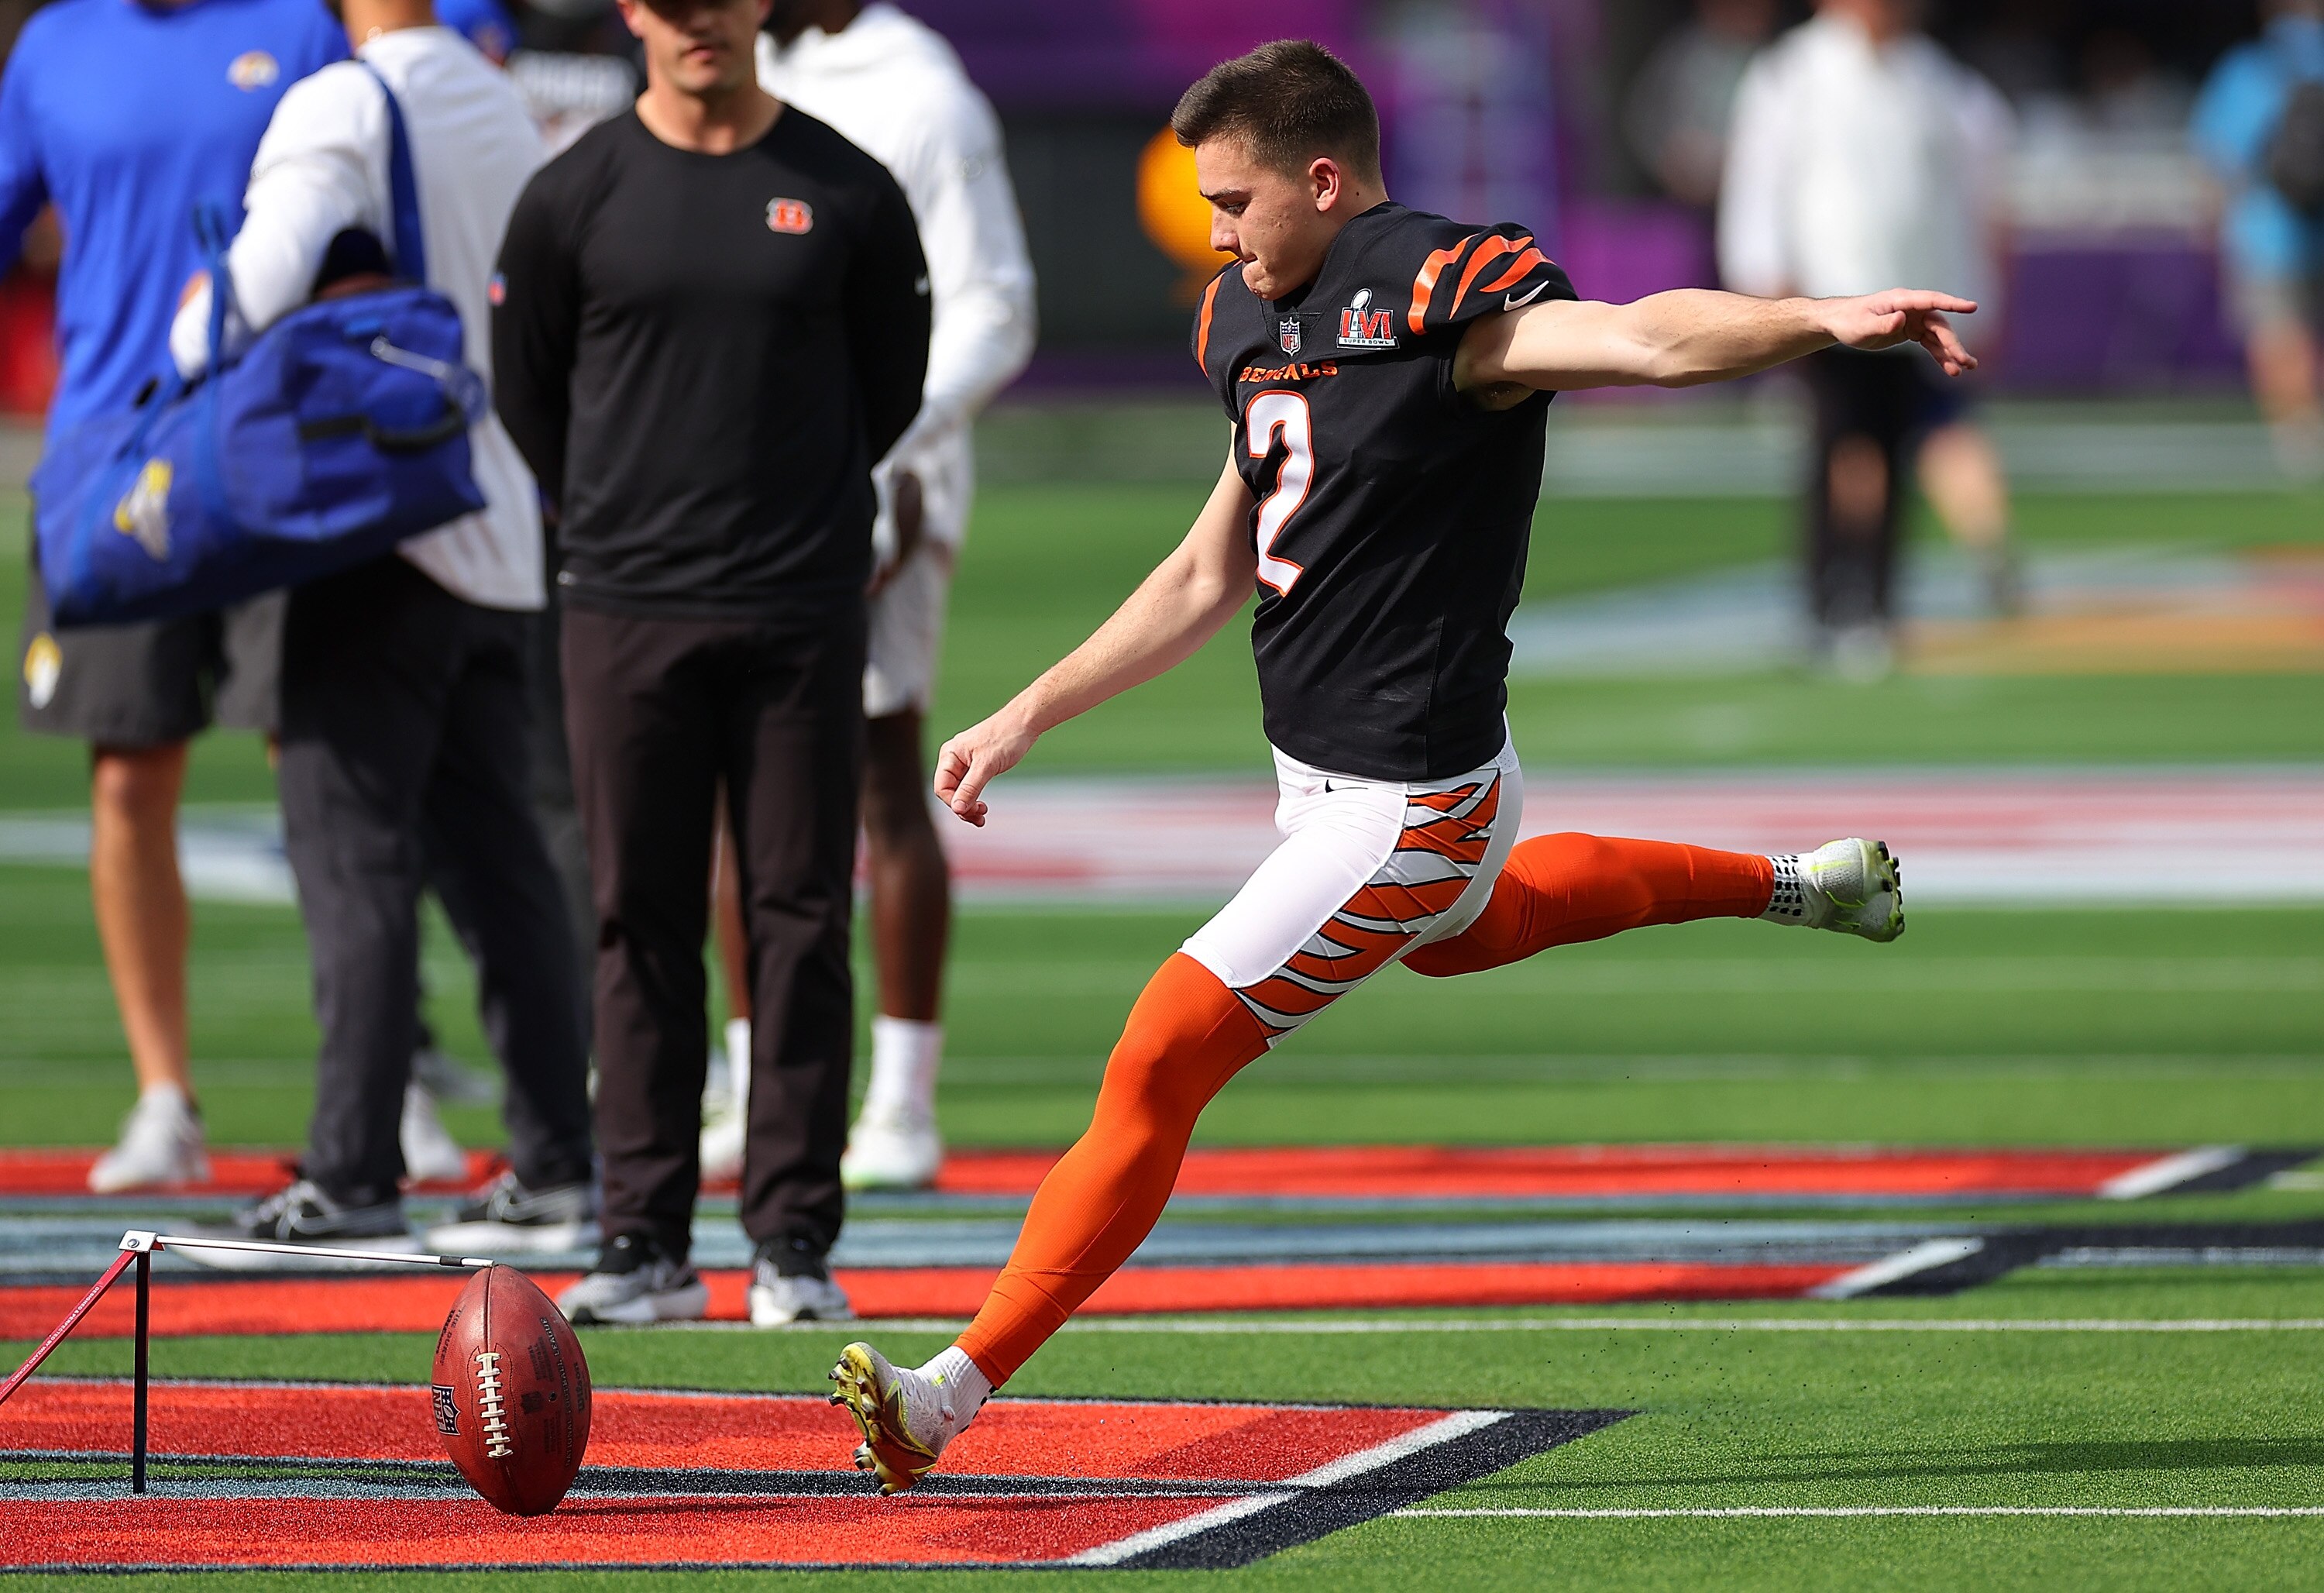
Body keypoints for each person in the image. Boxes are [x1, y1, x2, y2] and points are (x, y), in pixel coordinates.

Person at [827, 39, 1957, 1496]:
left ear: (1323, 173)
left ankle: (945, 1394)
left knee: (1159, 1053)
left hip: (1404, 799)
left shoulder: (1440, 299)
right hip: (1351, 787)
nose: (1217, 236)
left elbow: (1638, 338)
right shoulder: (1246, 318)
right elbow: (1200, 571)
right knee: (1483, 926)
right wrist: (1030, 708)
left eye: (1235, 200)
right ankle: (1803, 884)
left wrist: (1819, 316)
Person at [493, 0, 928, 1325]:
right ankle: (644, 1242)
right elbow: (529, 389)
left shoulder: (845, 187)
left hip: (800, 604)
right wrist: (623, 522)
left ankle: (792, 1241)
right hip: (625, 607)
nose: (698, 24)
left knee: (801, 914)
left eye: (720, 1)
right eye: (670, 3)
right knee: (640, 919)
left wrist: (795, 512)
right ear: (632, 11)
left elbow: (890, 384)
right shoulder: (572, 194)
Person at [169, 0, 595, 1253]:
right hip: (500, 533)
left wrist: (191, 330)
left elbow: (246, 293)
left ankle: (354, 1164)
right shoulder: (496, 103)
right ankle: (558, 1153)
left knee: (351, 850)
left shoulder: (348, 100)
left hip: (378, 531)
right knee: (499, 863)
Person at [1, 0, 345, 1193]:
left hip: (276, 452)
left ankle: (372, 1090)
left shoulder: (301, 25)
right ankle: (164, 1098)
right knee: (128, 775)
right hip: (107, 461)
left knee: (324, 767)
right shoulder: (52, 44)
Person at [696, 0, 1035, 1192]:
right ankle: (752, 1078)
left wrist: (892, 445)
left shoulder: (920, 92)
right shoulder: (741, 64)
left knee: (885, 774)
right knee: (735, 779)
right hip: (737, 460)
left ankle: (899, 1098)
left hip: (880, 468)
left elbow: (995, 305)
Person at [1719, 0, 2019, 677]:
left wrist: (1982, 305)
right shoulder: (1793, 74)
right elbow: (1761, 186)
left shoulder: (1936, 79)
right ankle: (1827, 600)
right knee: (1836, 444)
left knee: (1893, 445)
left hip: (1909, 303)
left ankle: (1879, 602)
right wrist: (1769, 290)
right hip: (1824, 300)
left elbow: (1971, 192)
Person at [2194, 0, 2324, 478]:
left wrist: (2215, 222)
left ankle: (2300, 444)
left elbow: (2217, 155)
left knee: (2277, 334)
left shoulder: (2249, 66)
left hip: (2263, 227)